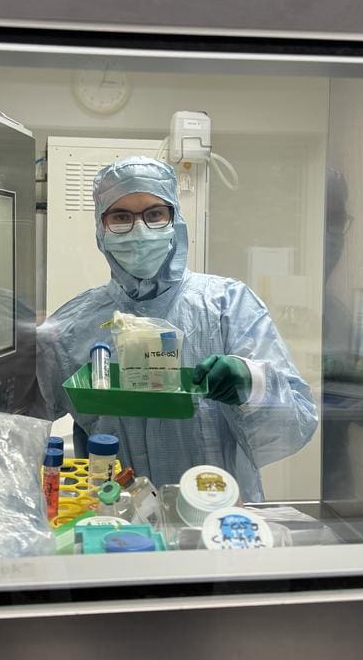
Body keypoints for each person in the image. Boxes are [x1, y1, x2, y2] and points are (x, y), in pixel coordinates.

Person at [36, 156, 318, 501]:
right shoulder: (72, 326)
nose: (140, 230)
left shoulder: (227, 305)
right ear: (101, 228)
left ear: (175, 220)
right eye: (121, 217)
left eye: (155, 214)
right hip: (118, 520)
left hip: (217, 516)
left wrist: (254, 384)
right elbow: (19, 425)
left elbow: (297, 425)